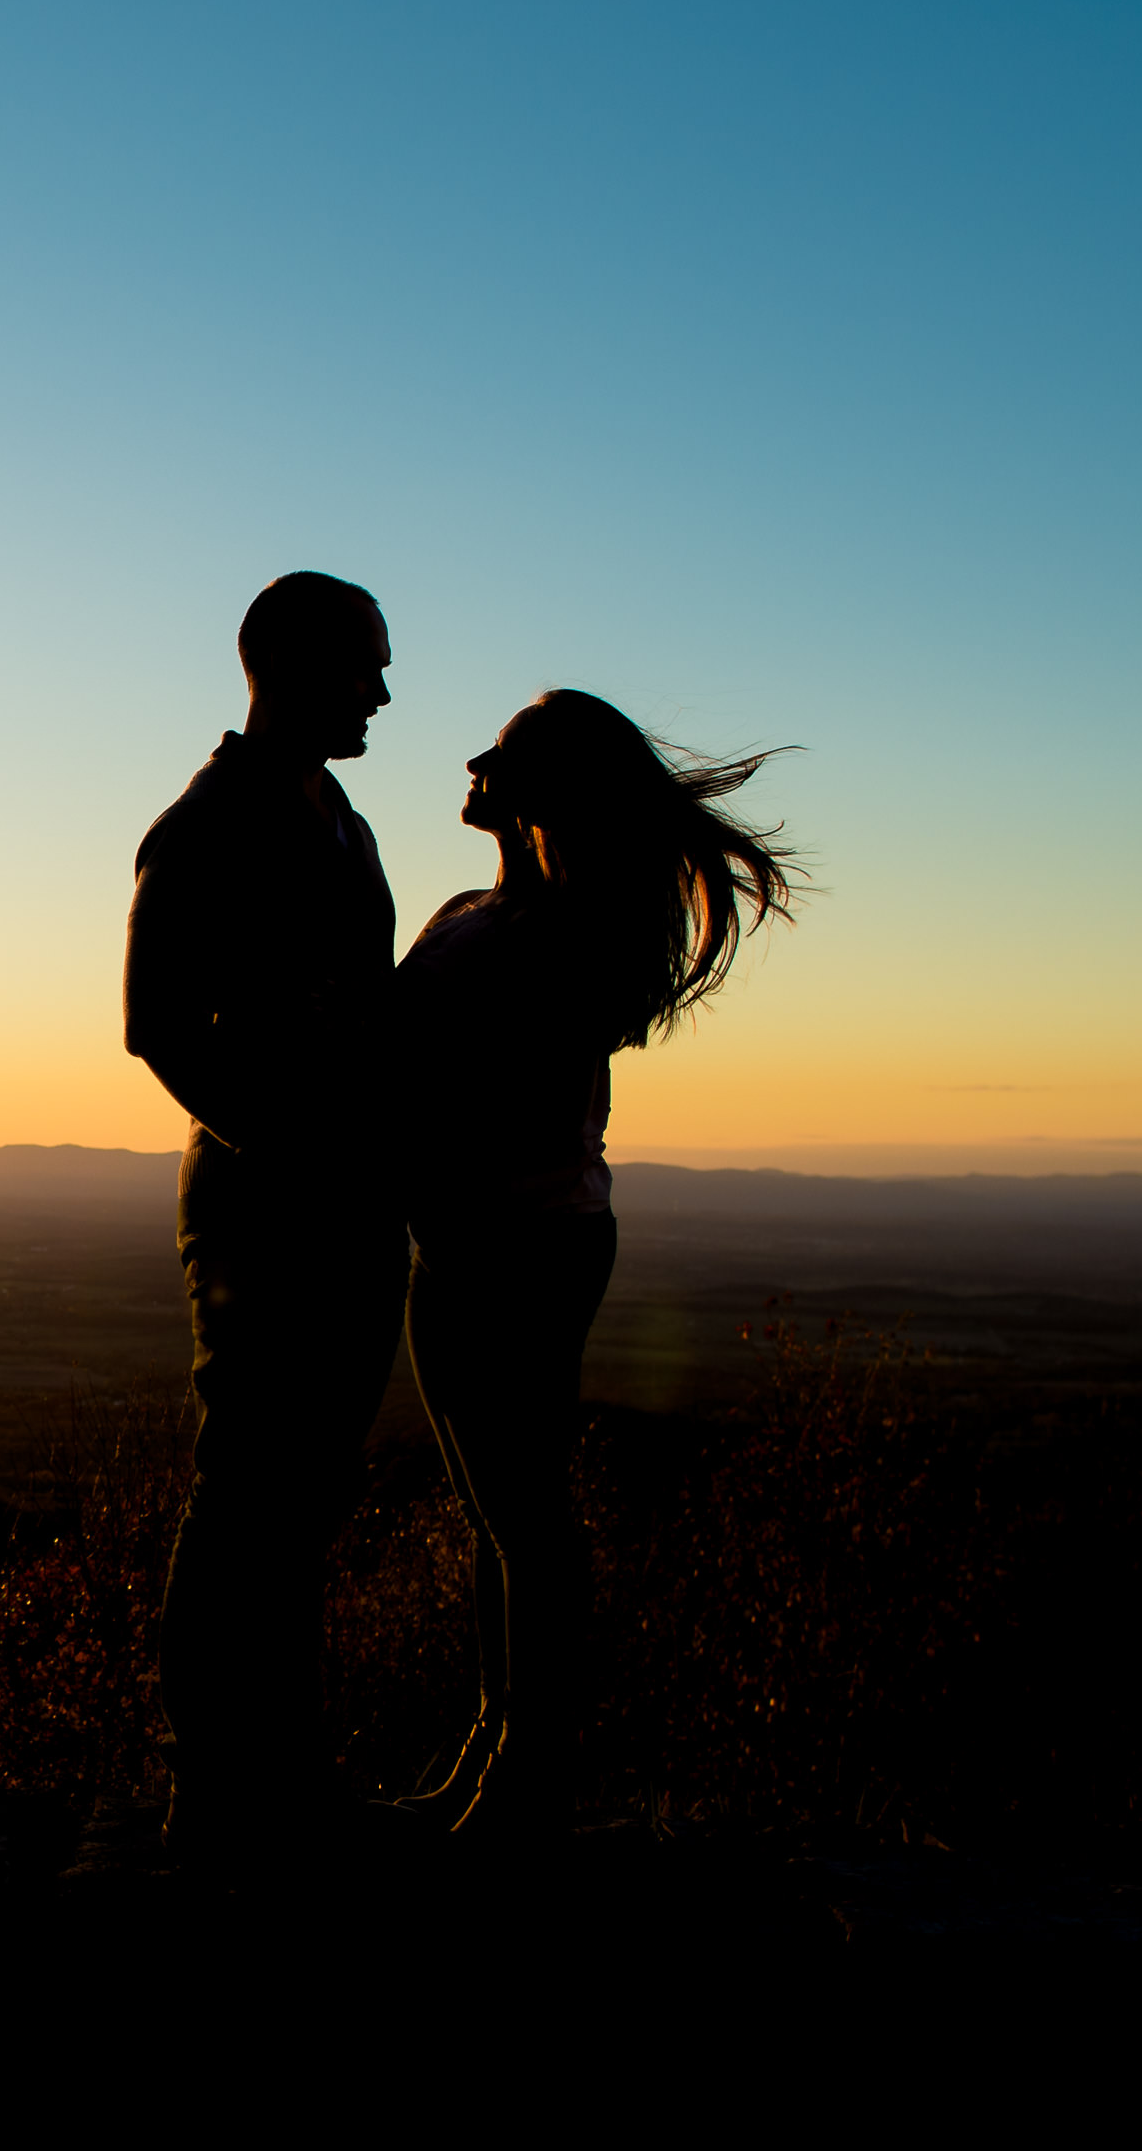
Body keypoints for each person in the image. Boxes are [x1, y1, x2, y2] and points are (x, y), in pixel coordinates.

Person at [394, 687, 797, 1840]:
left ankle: (526, 1775)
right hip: (467, 1236)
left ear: (553, 793)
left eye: (507, 754)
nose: (472, 758)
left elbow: (467, 1076)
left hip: (525, 1240)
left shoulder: (572, 936)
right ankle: (491, 1753)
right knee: (496, 1509)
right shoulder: (483, 910)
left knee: (522, 1510)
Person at [122, 570, 404, 1854]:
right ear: (285, 662)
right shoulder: (211, 818)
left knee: (308, 1493)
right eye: (365, 666)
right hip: (260, 1201)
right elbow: (155, 1025)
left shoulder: (336, 811)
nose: (385, 693)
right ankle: (213, 1785)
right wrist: (280, 1144)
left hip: (351, 1196)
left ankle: (284, 1769)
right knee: (245, 1487)